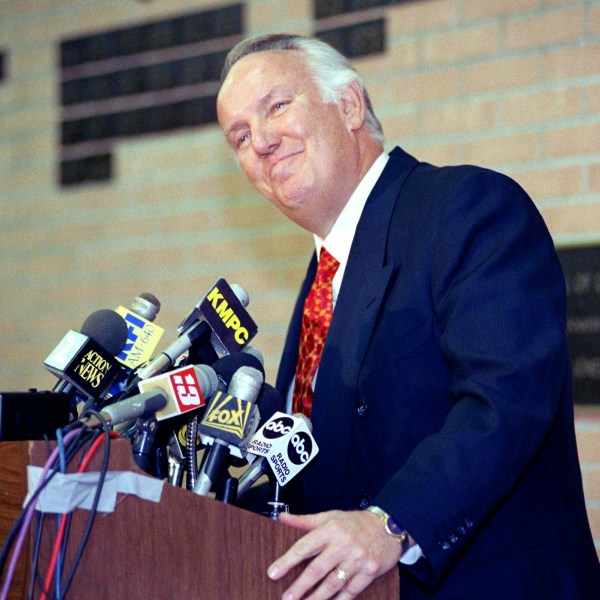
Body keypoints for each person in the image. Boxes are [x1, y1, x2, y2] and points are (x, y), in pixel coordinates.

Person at [216, 34, 600, 600]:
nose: (263, 142)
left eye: (277, 107)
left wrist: (389, 522)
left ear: (348, 105)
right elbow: (333, 445)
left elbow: (508, 397)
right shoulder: (326, 271)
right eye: (241, 137)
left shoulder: (465, 208)